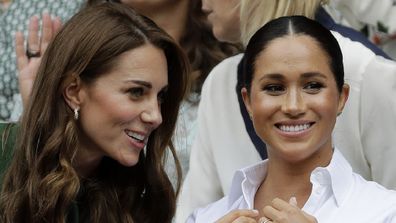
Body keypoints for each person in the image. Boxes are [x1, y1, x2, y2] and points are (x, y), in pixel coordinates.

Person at [176, 0, 396, 221]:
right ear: (248, 100)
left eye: (313, 86)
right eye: (273, 88)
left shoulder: (367, 70)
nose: (293, 106)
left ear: (342, 97)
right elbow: (196, 204)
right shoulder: (220, 82)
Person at [0, 2, 189, 222]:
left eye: (160, 96)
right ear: (74, 91)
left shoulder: (131, 196)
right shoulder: (6, 156)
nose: (156, 116)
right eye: (136, 92)